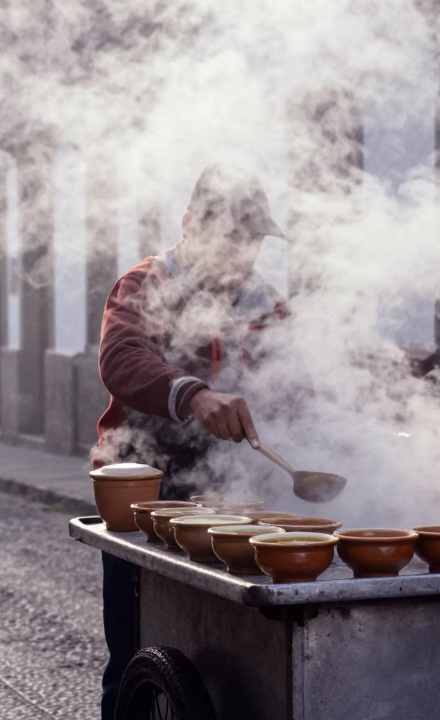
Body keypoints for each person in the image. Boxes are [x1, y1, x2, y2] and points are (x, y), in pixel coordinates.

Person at [91, 164, 288, 718]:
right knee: (133, 658)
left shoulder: (264, 302)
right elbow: (121, 359)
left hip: (236, 497)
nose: (243, 254)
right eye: (231, 238)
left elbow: (297, 382)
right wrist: (195, 395)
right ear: (189, 226)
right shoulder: (145, 283)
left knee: (228, 656)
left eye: (253, 241)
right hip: (148, 493)